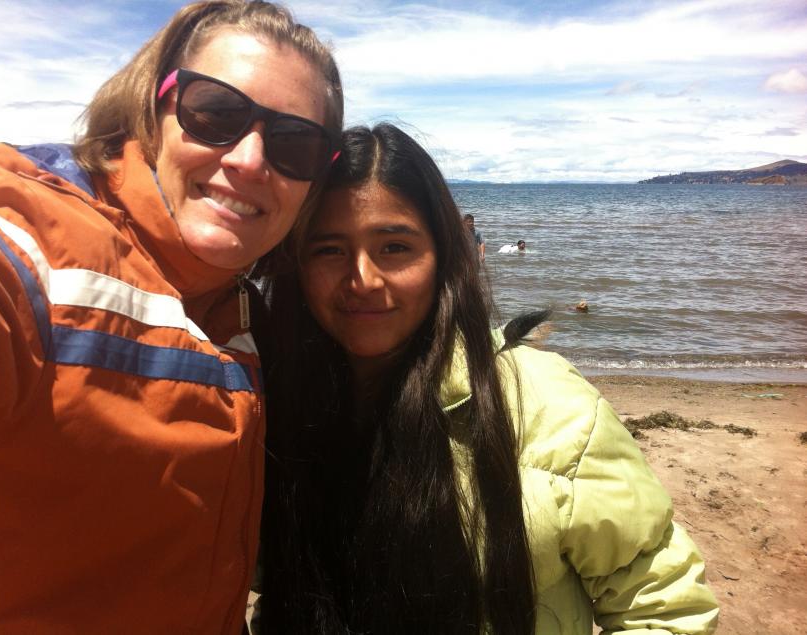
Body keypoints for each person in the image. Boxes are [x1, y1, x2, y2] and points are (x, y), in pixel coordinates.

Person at [0, 1, 342, 631]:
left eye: (294, 143)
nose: (249, 158)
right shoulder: (24, 243)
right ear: (152, 110)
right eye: (215, 114)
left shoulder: (237, 305)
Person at [256, 123, 718, 634]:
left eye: (394, 247)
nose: (362, 278)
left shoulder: (546, 404)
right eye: (329, 250)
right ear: (295, 263)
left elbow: (665, 607)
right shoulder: (271, 405)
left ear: (443, 257)